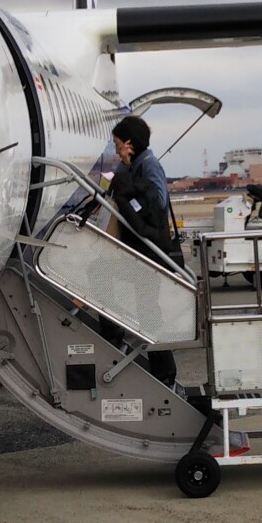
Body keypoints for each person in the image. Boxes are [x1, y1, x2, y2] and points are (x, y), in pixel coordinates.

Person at [106, 116, 177, 388]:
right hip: (138, 252)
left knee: (149, 311)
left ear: (129, 143)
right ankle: (118, 338)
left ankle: (165, 374)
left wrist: (130, 190)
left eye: (117, 144)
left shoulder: (149, 165)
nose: (115, 150)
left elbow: (158, 203)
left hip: (150, 253)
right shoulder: (132, 166)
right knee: (146, 309)